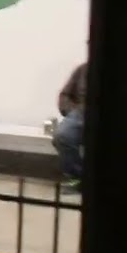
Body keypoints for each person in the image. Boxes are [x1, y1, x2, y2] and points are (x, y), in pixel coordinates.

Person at [54, 60, 86, 193]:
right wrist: (71, 111)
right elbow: (65, 94)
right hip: (81, 113)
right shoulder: (83, 69)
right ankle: (78, 178)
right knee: (62, 135)